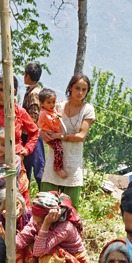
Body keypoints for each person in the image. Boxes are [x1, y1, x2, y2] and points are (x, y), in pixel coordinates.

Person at [15, 191, 90, 263]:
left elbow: (39, 251)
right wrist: (4, 239)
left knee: (50, 251)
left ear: (52, 217)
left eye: (40, 222)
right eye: (37, 222)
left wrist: (45, 224)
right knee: (22, 248)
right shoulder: (36, 221)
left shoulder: (65, 227)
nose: (37, 224)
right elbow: (21, 239)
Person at [39, 73, 94, 207]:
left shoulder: (88, 110)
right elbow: (42, 119)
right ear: (70, 88)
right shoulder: (58, 106)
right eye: (77, 88)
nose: (80, 92)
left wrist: (60, 136)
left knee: (70, 208)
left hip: (73, 164)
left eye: (84, 89)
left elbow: (81, 136)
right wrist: (41, 132)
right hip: (54, 160)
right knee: (45, 206)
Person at [21, 61, 45, 187]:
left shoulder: (34, 93)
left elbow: (34, 115)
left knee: (38, 169)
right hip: (27, 134)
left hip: (31, 135)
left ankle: (45, 197)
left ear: (28, 76)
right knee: (26, 169)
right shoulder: (31, 91)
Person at [37, 88, 67, 178]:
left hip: (53, 134)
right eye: (49, 102)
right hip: (50, 136)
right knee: (58, 149)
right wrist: (58, 118)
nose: (52, 105)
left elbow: (55, 108)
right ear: (41, 103)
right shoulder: (45, 114)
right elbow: (54, 125)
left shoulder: (50, 110)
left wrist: (60, 103)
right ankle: (58, 168)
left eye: (53, 102)